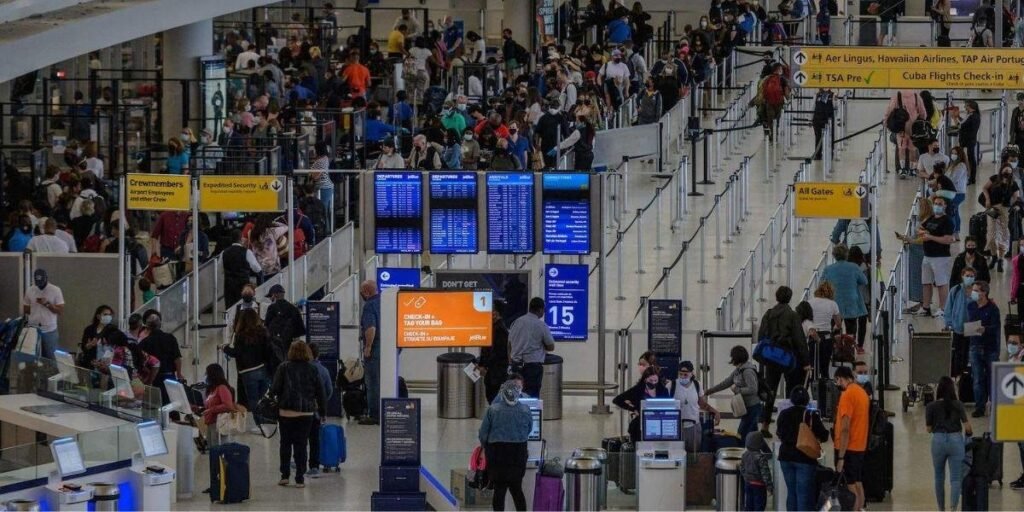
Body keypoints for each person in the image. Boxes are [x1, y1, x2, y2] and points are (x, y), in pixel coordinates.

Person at [270, 341, 326, 489]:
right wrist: (323, 412)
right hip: (306, 412)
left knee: (285, 443)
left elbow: (275, 389)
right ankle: (300, 478)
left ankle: (285, 475)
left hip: (286, 412)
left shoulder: (283, 367)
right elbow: (320, 392)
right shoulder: (313, 369)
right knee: (301, 445)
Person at [756, 286, 810, 434]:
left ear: (776, 296)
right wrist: (806, 362)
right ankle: (788, 425)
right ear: (790, 298)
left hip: (772, 356)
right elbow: (800, 340)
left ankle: (765, 425)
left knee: (770, 390)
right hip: (788, 357)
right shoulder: (793, 316)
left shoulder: (768, 314)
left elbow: (761, 335)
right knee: (791, 389)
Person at [479, 380, 533, 511]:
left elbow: (483, 433)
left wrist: (485, 447)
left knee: (499, 489)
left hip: (497, 455)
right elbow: (529, 429)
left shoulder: (493, 410)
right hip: (518, 455)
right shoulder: (525, 410)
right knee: (517, 489)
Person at [775, 386, 829, 512]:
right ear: (807, 399)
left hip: (786, 457)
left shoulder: (784, 413)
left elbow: (779, 433)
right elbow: (824, 435)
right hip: (804, 458)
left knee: (792, 493)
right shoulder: (811, 414)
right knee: (804, 495)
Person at [926, 375, 972, 511]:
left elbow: (928, 429)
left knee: (939, 476)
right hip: (956, 440)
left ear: (938, 390)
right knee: (956, 478)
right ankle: (953, 508)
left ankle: (941, 508)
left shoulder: (931, 406)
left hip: (938, 440)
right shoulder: (958, 405)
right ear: (953, 389)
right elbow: (967, 427)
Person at [221, 309, 273, 427]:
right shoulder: (263, 333)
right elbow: (268, 351)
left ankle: (258, 424)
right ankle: (265, 419)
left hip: (248, 372)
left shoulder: (241, 335)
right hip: (263, 369)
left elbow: (237, 353)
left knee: (253, 400)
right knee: (262, 398)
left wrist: (225, 348)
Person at [707, 346, 763, 441]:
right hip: (746, 407)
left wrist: (737, 390)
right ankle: (755, 452)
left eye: (732, 356)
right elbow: (726, 383)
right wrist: (710, 391)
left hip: (753, 406)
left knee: (742, 433)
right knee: (752, 433)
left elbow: (753, 389)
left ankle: (742, 452)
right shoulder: (738, 370)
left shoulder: (747, 371)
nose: (731, 359)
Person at [834, 366, 870, 512]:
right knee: (857, 482)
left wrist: (841, 456)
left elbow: (845, 428)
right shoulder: (862, 393)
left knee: (850, 486)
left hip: (848, 447)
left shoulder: (847, 395)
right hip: (860, 445)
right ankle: (861, 509)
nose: (838, 385)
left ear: (841, 378)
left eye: (838, 381)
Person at [822, 244, 870, 352]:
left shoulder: (828, 269)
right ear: (846, 254)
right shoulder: (854, 267)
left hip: (834, 303)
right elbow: (864, 281)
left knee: (834, 325)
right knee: (851, 328)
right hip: (851, 302)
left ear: (834, 255)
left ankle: (834, 349)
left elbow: (822, 283)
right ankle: (850, 349)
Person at [508, 297, 556, 398]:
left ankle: (517, 414)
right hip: (533, 367)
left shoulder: (516, 322)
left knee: (515, 396)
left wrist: (511, 361)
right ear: (540, 310)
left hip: (516, 366)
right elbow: (551, 346)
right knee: (531, 396)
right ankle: (530, 414)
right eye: (544, 310)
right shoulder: (541, 325)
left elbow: (509, 344)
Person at [966, 280, 1001, 417]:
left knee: (992, 378)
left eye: (976, 290)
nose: (973, 293)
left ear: (984, 292)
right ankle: (979, 406)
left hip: (990, 348)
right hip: (975, 345)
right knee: (977, 378)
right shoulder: (971, 306)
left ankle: (994, 405)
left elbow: (996, 328)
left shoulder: (993, 309)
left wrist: (984, 329)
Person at [918, 195, 956, 317]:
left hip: (940, 257)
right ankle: (926, 307)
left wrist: (930, 237)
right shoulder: (931, 218)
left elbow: (947, 239)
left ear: (945, 206)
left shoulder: (947, 221)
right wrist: (922, 232)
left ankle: (943, 308)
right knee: (926, 282)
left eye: (940, 204)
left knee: (941, 283)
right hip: (927, 255)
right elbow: (920, 228)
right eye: (935, 203)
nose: (937, 206)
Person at [613, 366, 672, 441]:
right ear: (645, 379)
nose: (653, 383)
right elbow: (617, 400)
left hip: (659, 422)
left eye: (655, 380)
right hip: (641, 422)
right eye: (651, 380)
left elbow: (669, 405)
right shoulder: (638, 389)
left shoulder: (663, 390)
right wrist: (633, 409)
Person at [673, 361, 719, 452]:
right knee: (677, 453)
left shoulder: (697, 385)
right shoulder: (672, 385)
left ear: (691, 373)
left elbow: (702, 403)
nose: (682, 377)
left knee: (694, 453)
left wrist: (715, 411)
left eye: (685, 374)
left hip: (694, 425)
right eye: (680, 374)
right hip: (676, 426)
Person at [981, 163, 1020, 272]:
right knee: (991, 233)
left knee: (1004, 234)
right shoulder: (994, 179)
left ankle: (1001, 259)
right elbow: (984, 188)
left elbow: (1017, 197)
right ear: (1001, 171)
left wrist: (1015, 205)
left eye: (1009, 172)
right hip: (993, 208)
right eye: (1005, 171)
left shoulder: (1013, 184)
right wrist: (987, 199)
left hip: (1005, 210)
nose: (1006, 173)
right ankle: (994, 256)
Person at [139, 311, 183, 403]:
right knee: (172, 403)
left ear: (147, 326)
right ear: (160, 324)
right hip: (170, 376)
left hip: (154, 378)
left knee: (156, 405)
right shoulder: (170, 338)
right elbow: (177, 358)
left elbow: (141, 363)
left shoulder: (144, 342)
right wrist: (179, 373)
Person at [22, 269, 64, 359]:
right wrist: (34, 313)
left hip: (49, 330)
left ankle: (51, 373)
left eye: (42, 282)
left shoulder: (55, 290)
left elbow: (60, 311)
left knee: (51, 358)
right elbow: (26, 309)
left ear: (46, 278)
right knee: (33, 358)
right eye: (38, 282)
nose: (40, 285)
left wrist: (47, 304)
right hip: (33, 329)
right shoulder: (30, 290)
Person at [307, 343, 333, 477]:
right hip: (316, 411)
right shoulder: (323, 370)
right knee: (314, 439)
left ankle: (296, 461)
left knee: (299, 438)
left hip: (300, 410)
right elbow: (329, 390)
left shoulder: (298, 369)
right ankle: (314, 465)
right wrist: (321, 406)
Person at [478, 300, 511, 404]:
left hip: (496, 372)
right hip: (493, 371)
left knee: (493, 397)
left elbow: (497, 352)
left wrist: (485, 366)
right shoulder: (493, 328)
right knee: (492, 397)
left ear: (496, 313)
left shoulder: (499, 330)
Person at [807, 281, 842, 379]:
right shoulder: (833, 304)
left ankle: (813, 384)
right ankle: (824, 387)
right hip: (826, 336)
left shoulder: (810, 302)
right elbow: (838, 323)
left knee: (813, 364)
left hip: (813, 334)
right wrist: (834, 327)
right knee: (825, 366)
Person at [358, 280, 381, 425]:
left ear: (366, 292)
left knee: (373, 381)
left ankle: (374, 414)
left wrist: (368, 347)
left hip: (376, 348)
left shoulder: (369, 306)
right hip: (389, 348)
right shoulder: (385, 302)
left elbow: (371, 328)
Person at [265, 284, 306, 364]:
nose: (270, 298)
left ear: (275, 295)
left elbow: (266, 327)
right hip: (289, 347)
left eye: (271, 296)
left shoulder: (271, 308)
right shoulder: (294, 309)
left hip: (274, 348)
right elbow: (299, 332)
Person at [221, 229, 261, 308]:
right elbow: (257, 269)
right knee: (243, 308)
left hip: (229, 286)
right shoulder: (247, 252)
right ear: (241, 238)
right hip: (243, 285)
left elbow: (220, 269)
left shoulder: (224, 252)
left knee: (230, 308)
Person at [202, 364, 236, 446]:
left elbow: (228, 405)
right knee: (212, 449)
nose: (206, 376)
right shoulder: (212, 389)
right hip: (211, 424)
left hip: (219, 424)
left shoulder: (222, 388)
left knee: (218, 450)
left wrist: (211, 410)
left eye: (207, 374)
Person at [1006, 334, 1024, 490]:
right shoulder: (1010, 359)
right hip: (1017, 409)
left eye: (1014, 342)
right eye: (1009, 342)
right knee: (1021, 444)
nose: (1011, 344)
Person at [740, 430, 774, 512]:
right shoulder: (761, 457)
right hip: (759, 486)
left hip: (748, 484)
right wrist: (770, 487)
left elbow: (742, 468)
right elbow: (765, 473)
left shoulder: (745, 455)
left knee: (749, 505)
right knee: (759, 506)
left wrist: (746, 477)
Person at [78, 304, 115, 370]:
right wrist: (89, 345)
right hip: (91, 362)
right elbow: (84, 347)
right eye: (105, 314)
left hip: (105, 364)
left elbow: (115, 349)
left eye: (110, 315)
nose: (108, 316)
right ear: (98, 316)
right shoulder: (89, 329)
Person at [960, 100, 982, 184]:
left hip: (969, 141)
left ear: (970, 106)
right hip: (966, 140)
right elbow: (963, 123)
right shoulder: (970, 115)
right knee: (969, 159)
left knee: (971, 160)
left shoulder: (974, 116)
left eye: (966, 106)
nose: (965, 107)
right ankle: (969, 177)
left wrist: (959, 125)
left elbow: (965, 126)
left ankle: (972, 179)